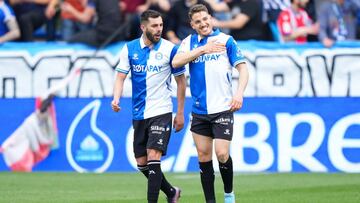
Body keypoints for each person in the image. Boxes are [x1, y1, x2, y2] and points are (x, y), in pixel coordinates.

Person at [172, 4, 249, 203]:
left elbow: (243, 69)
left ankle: (229, 193)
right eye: (198, 21)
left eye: (205, 19)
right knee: (204, 157)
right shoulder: (189, 42)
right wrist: (202, 49)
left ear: (211, 18)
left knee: (222, 154)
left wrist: (239, 94)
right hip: (199, 110)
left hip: (223, 108)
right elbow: (176, 62)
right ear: (192, 24)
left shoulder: (226, 41)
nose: (203, 23)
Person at [111, 10, 186, 203]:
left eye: (161, 25)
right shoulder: (129, 49)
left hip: (161, 110)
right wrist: (116, 98)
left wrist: (179, 113)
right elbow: (120, 77)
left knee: (154, 156)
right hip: (139, 112)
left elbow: (181, 83)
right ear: (143, 27)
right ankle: (171, 192)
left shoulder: (171, 49)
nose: (159, 29)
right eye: (154, 26)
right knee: (142, 163)